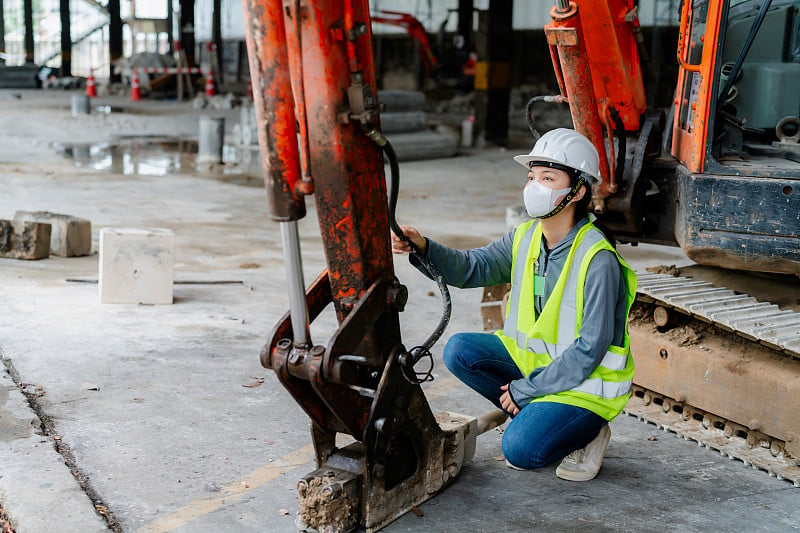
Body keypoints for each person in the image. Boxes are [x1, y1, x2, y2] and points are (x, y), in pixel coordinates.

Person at [391, 128, 637, 482]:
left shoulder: (598, 259)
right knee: (459, 350)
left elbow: (590, 350)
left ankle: (587, 433)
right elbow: (472, 267)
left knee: (521, 451)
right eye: (532, 177)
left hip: (585, 390)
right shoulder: (525, 236)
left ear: (578, 191)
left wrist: (527, 389)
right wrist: (424, 247)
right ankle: (542, 417)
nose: (535, 186)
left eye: (548, 178)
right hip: (539, 368)